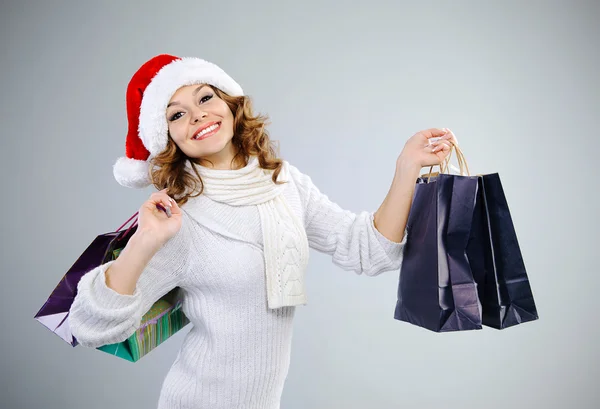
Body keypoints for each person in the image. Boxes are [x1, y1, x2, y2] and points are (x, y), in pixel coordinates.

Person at [68, 54, 456, 409]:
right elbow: (89, 327)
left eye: (205, 98)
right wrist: (145, 241)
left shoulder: (282, 181)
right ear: (166, 136)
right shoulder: (178, 217)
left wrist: (407, 167)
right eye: (176, 115)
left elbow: (367, 250)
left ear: (231, 104)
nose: (198, 116)